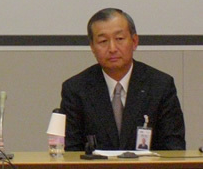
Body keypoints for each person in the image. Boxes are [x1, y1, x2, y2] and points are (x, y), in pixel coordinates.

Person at [60, 8, 185, 151]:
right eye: (103, 41)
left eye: (119, 39)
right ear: (92, 47)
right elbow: (71, 151)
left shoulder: (160, 85)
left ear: (134, 41)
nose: (112, 48)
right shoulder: (76, 89)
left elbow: (174, 148)